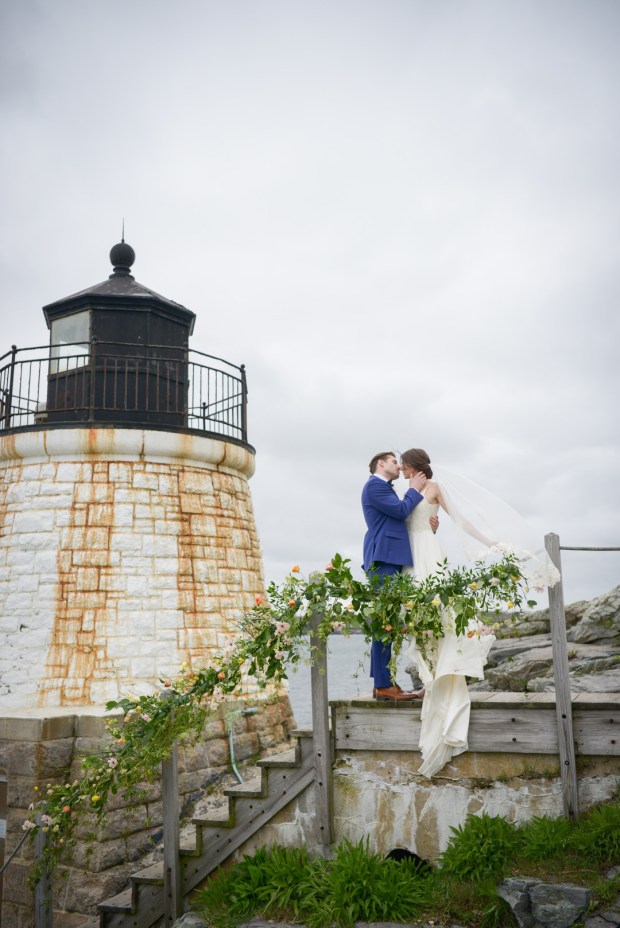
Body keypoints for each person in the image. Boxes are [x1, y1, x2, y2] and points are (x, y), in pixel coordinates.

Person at [399, 447, 559, 777]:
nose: (400, 470)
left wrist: (489, 541)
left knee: (440, 612)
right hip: (411, 555)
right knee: (417, 617)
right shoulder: (407, 491)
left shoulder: (434, 488)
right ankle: (430, 676)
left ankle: (439, 678)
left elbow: (460, 518)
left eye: (403, 465)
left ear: (414, 465)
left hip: (429, 551)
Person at [361, 451, 438, 702]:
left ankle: (383, 683)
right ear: (381, 464)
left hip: (391, 557)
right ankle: (384, 685)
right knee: (385, 622)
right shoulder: (375, 486)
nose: (399, 465)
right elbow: (400, 511)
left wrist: (428, 527)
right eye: (394, 461)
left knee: (388, 622)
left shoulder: (384, 488)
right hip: (384, 558)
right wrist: (415, 488)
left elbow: (402, 520)